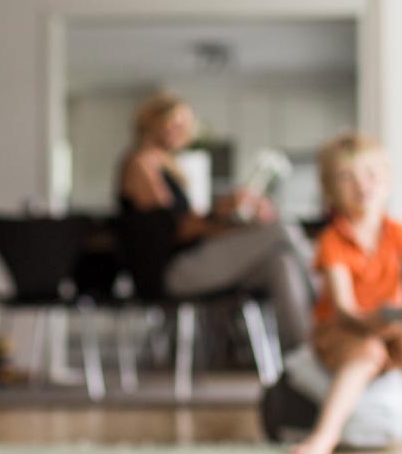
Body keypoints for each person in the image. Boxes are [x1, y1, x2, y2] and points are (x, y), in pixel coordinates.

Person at [116, 93, 314, 351]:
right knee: (282, 230)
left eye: (184, 125)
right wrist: (224, 210)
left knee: (281, 262)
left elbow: (198, 224)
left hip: (193, 261)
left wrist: (240, 216)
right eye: (172, 123)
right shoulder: (140, 163)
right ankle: (330, 300)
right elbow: (173, 227)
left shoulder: (171, 166)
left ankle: (305, 352)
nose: (180, 130)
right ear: (151, 122)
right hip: (170, 270)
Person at [291, 134, 402, 454]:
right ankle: (325, 435)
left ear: (386, 181)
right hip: (343, 329)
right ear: (331, 191)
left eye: (371, 174)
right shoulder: (332, 241)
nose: (362, 185)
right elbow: (344, 309)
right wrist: (378, 324)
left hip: (387, 325)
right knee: (368, 352)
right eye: (348, 177)